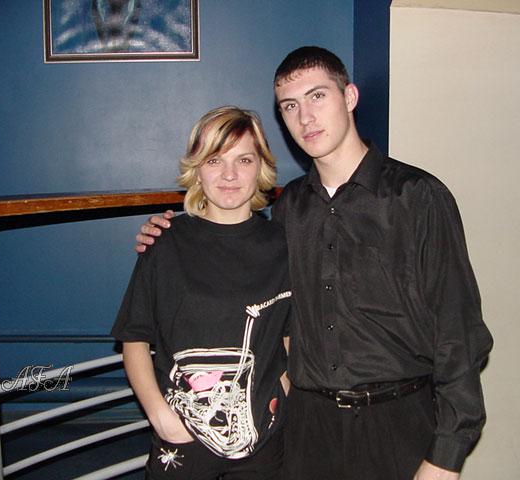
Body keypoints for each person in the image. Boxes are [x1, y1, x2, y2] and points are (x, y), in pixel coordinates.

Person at [134, 47, 493, 480]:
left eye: (317, 96)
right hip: (306, 427)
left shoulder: (417, 197)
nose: (305, 117)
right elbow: (243, 271)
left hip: (399, 423)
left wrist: (447, 456)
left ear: (350, 97)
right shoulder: (289, 209)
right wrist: (164, 231)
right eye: (290, 106)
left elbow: (459, 333)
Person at [113, 106, 292, 480]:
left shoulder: (284, 244)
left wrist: (284, 392)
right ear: (196, 169)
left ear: (261, 167)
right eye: (214, 160)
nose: (229, 174)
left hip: (264, 439)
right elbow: (134, 339)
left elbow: (288, 332)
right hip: (182, 439)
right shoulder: (165, 243)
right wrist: (161, 416)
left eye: (244, 159)